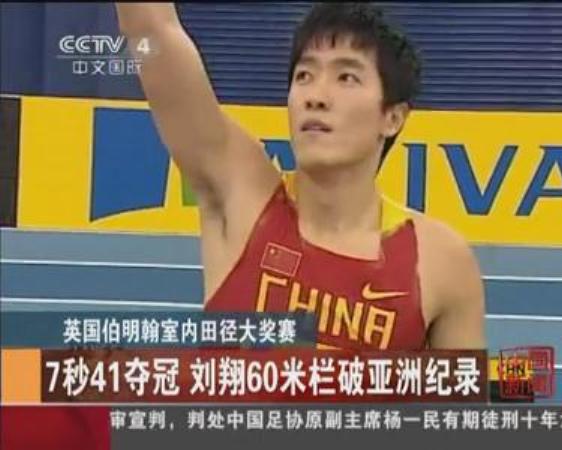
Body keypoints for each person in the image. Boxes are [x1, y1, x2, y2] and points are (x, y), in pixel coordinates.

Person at [115, 2, 486, 351]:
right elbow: (152, 30)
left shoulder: (441, 263)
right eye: (304, 75)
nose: (315, 97)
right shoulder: (243, 196)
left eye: (346, 77)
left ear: (392, 118)